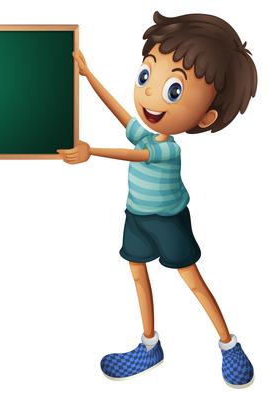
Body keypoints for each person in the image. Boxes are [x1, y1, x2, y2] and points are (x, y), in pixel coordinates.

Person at [57, 11, 257, 388]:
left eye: (174, 90)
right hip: (137, 216)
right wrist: (88, 74)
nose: (149, 93)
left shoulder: (168, 150)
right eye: (147, 75)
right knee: (137, 275)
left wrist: (91, 152)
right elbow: (120, 111)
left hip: (169, 221)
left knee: (192, 280)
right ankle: (150, 345)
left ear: (205, 117)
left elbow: (135, 157)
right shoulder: (146, 134)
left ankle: (229, 344)